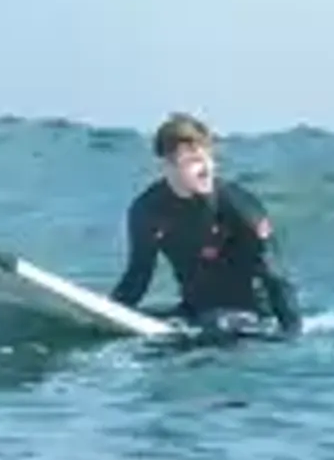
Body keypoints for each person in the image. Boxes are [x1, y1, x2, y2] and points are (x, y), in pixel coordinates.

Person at [111, 114, 302, 334]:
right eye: (194, 162)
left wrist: (291, 335)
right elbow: (138, 276)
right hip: (195, 312)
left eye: (208, 159)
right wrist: (110, 313)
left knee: (214, 326)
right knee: (156, 324)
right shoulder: (147, 210)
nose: (207, 169)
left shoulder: (239, 206)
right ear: (166, 166)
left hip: (252, 317)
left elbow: (276, 276)